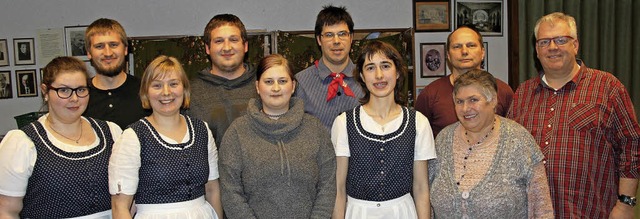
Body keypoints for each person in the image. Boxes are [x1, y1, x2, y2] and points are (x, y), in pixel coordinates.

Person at [508, 12, 640, 218]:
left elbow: (632, 146)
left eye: (561, 40)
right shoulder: (522, 94)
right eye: (544, 42)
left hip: (591, 212)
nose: (552, 47)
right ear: (536, 49)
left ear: (575, 45)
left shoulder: (608, 87)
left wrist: (626, 204)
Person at [0, 56, 122, 218]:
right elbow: (7, 211)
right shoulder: (24, 142)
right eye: (64, 90)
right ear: (45, 91)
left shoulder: (111, 132)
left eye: (81, 89)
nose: (74, 98)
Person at [219, 54, 336, 218]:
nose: (276, 88)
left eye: (282, 81)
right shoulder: (237, 132)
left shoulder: (315, 129)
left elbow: (328, 185)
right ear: (258, 87)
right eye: (268, 82)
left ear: (293, 86)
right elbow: (230, 191)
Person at [429, 69, 554, 218]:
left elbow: (541, 208)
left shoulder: (519, 140)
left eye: (473, 100)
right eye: (459, 101)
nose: (465, 109)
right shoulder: (443, 139)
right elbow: (427, 199)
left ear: (493, 100)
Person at [109, 55, 222, 218]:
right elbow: (120, 206)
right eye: (157, 85)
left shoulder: (201, 130)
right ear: (146, 92)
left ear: (184, 89)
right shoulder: (133, 137)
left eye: (173, 84)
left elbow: (212, 190)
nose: (166, 92)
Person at [331, 41, 435, 219]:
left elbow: (421, 188)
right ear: (362, 76)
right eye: (370, 68)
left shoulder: (418, 122)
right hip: (358, 212)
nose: (379, 75)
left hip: (403, 212)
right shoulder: (344, 123)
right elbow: (338, 189)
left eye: (385, 66)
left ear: (398, 72)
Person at [414, 26, 513, 137]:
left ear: (482, 52)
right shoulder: (430, 94)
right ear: (448, 55)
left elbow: (512, 134)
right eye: (457, 47)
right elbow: (418, 140)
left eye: (471, 45)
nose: (464, 51)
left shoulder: (503, 91)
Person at [188, 14, 258, 147]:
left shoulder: (266, 85)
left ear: (245, 46)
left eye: (233, 39)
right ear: (207, 48)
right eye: (219, 41)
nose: (227, 47)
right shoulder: (190, 92)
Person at [295, 5, 365, 130]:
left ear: (351, 38)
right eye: (329, 35)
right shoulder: (300, 82)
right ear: (319, 40)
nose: (336, 41)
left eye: (342, 34)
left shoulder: (366, 79)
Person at [83, 18, 149, 129]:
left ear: (125, 49)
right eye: (99, 46)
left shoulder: (146, 90)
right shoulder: (79, 96)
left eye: (113, 45)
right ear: (89, 53)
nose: (108, 53)